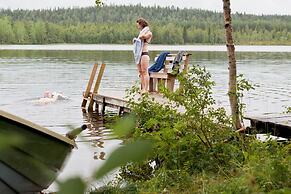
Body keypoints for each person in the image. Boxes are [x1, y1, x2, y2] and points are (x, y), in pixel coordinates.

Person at [134, 18, 152, 93]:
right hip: (139, 55)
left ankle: (146, 89)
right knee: (140, 72)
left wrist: (141, 36)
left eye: (138, 25)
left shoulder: (149, 33)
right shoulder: (141, 33)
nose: (137, 27)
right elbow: (139, 39)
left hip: (144, 54)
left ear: (141, 24)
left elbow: (143, 37)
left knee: (145, 71)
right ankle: (142, 88)